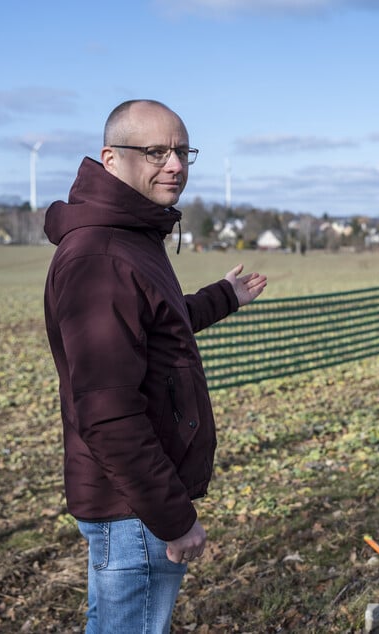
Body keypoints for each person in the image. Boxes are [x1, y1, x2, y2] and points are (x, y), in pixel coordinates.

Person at [43, 99, 267, 633]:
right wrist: (172, 516)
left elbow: (157, 323)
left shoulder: (130, 238)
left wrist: (222, 297)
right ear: (111, 158)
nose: (175, 164)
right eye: (155, 151)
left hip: (133, 501)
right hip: (136, 508)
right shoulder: (102, 255)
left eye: (182, 151)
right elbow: (108, 412)